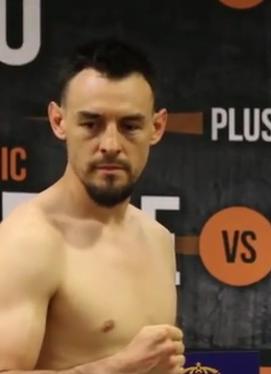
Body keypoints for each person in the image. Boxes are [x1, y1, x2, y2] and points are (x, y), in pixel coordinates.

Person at [0, 39, 185, 373]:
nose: (111, 145)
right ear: (59, 121)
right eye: (91, 124)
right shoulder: (28, 241)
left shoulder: (157, 238)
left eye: (130, 126)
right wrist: (120, 366)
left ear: (156, 128)